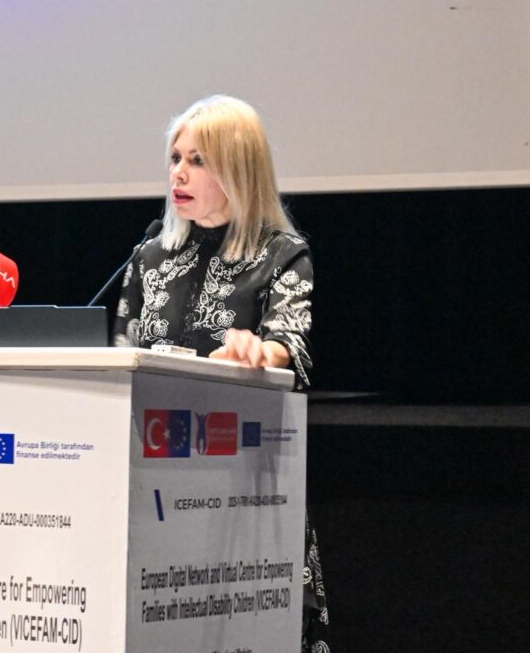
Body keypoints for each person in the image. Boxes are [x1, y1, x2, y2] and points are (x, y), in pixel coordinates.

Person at [113, 95, 330, 651]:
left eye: (198, 161)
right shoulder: (148, 259)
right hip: (150, 491)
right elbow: (121, 354)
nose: (178, 173)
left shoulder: (282, 256)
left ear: (238, 169)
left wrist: (259, 350)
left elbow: (290, 345)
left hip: (240, 495)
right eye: (175, 158)